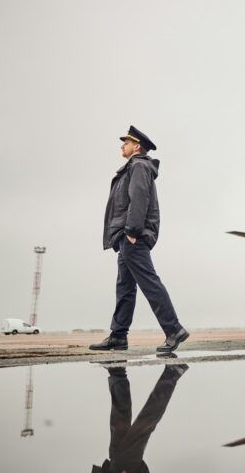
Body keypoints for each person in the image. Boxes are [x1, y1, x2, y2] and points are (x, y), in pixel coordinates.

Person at [91, 126, 188, 354]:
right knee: (124, 287)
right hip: (126, 237)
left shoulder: (139, 166)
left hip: (134, 236)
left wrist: (133, 231)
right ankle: (118, 336)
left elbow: (139, 198)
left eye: (126, 142)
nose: (122, 145)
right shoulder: (132, 168)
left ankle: (174, 329)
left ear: (137, 146)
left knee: (149, 282)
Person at [91, 363, 188, 473]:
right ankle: (172, 373)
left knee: (120, 419)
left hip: (115, 467)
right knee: (144, 423)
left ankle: (117, 372)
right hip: (126, 468)